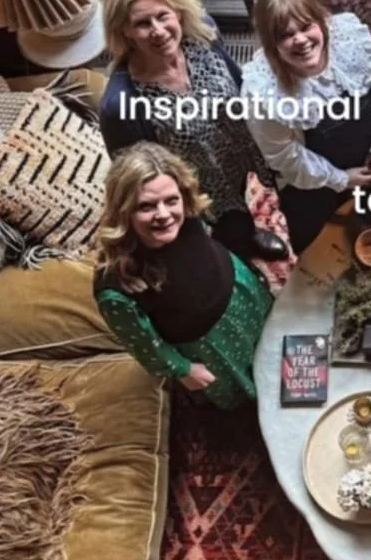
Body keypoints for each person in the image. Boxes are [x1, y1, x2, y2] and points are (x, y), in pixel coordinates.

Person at [99, 0, 286, 263]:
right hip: (202, 187)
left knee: (260, 199)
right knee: (231, 231)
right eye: (142, 24)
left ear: (177, 10)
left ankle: (252, 232)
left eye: (162, 16)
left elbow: (239, 81)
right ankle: (241, 257)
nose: (158, 31)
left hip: (245, 151)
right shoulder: (121, 105)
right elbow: (140, 178)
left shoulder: (203, 33)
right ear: (124, 30)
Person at [94, 144, 273, 409]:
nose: (164, 215)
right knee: (260, 398)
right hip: (215, 346)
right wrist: (183, 370)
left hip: (244, 297)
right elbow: (145, 346)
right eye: (146, 206)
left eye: (171, 200)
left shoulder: (187, 210)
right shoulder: (116, 287)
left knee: (279, 347)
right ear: (123, 211)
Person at [242, 0, 371, 254]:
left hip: (367, 160)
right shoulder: (262, 90)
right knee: (318, 246)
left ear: (321, 22)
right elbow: (283, 155)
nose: (300, 40)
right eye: (286, 35)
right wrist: (340, 179)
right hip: (310, 182)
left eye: (305, 27)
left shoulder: (351, 41)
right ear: (272, 46)